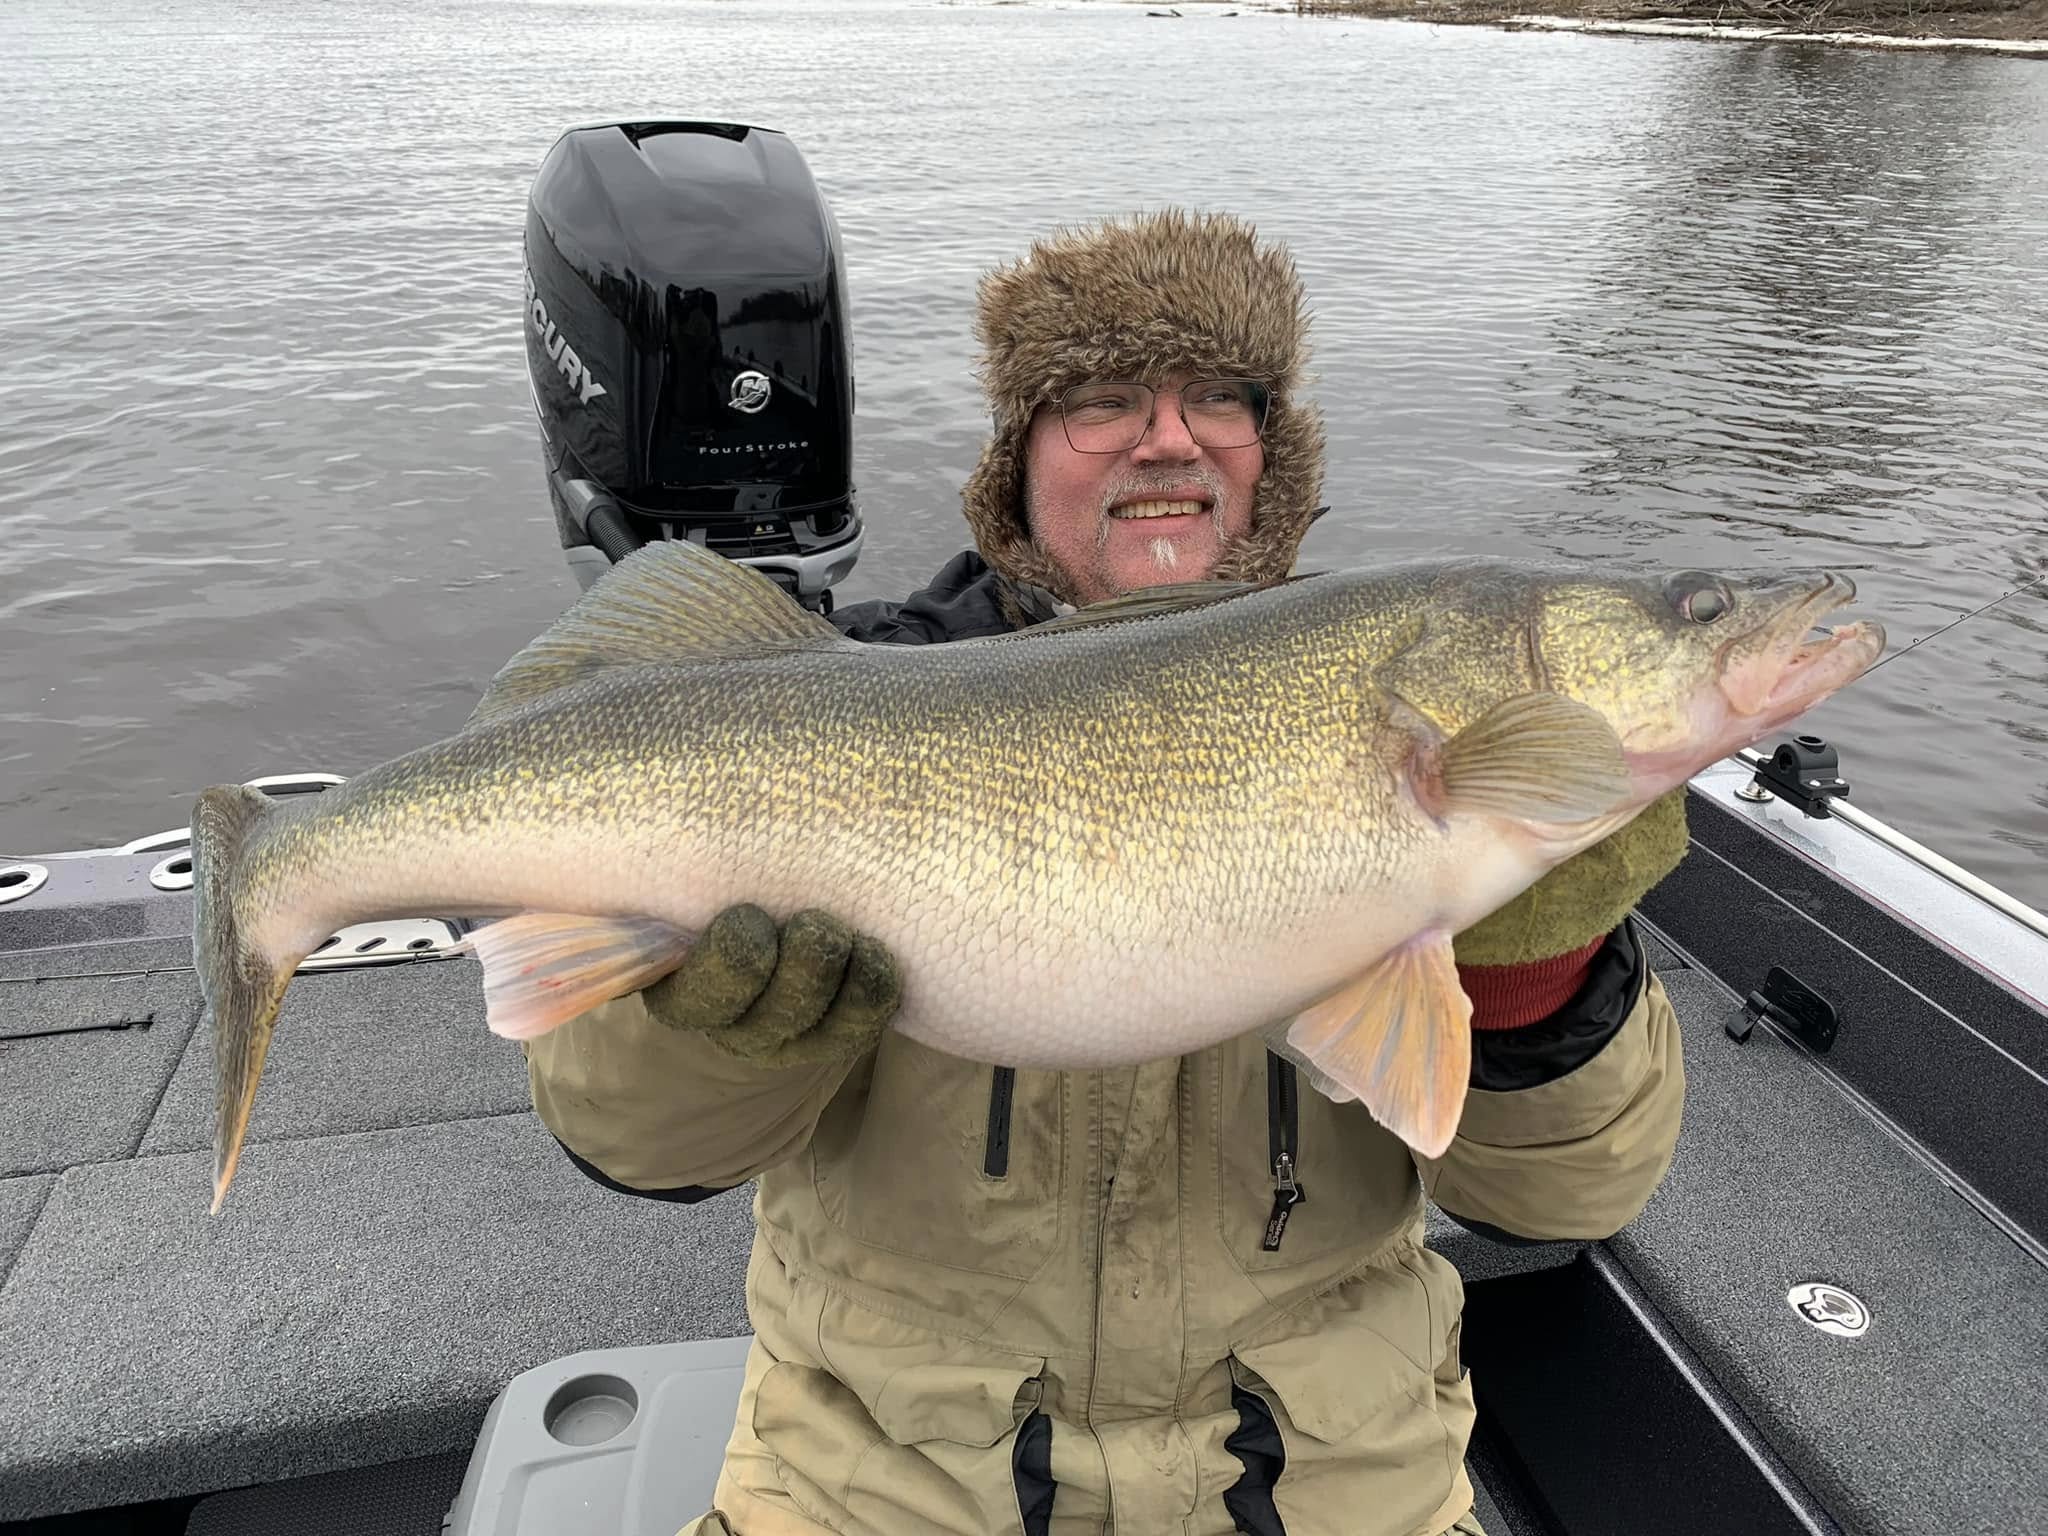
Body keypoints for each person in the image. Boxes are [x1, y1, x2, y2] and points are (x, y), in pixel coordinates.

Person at [523, 208, 1689, 1536]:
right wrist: (732, 1033)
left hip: (1335, 1492)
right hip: (877, 1494)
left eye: (1219, 402)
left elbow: (1567, 1199)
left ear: (1275, 460)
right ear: (1020, 463)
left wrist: (1541, 981)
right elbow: (633, 1144)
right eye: (1102, 402)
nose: (1168, 438)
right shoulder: (846, 693)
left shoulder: (1414, 715)